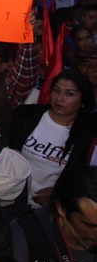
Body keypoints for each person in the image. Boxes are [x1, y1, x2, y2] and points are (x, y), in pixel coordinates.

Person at [8, 69, 97, 207]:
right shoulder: (26, 117)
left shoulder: (89, 137)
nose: (59, 98)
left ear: (83, 101)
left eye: (69, 94)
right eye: (56, 90)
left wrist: (60, 192)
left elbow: (88, 179)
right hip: (10, 199)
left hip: (47, 212)